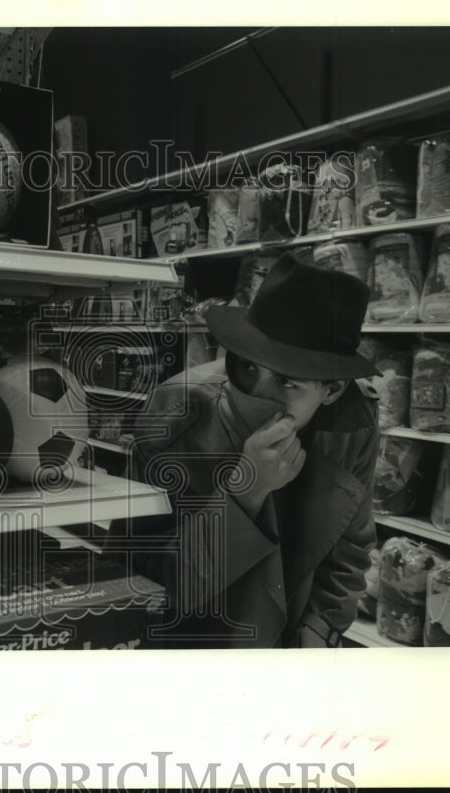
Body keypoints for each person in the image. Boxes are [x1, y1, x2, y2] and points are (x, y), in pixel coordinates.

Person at [112, 254, 381, 648]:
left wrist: (320, 630)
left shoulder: (353, 426)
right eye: (248, 369)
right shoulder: (178, 414)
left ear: (333, 390)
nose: (256, 395)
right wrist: (245, 491)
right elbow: (141, 580)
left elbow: (350, 549)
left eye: (288, 382)